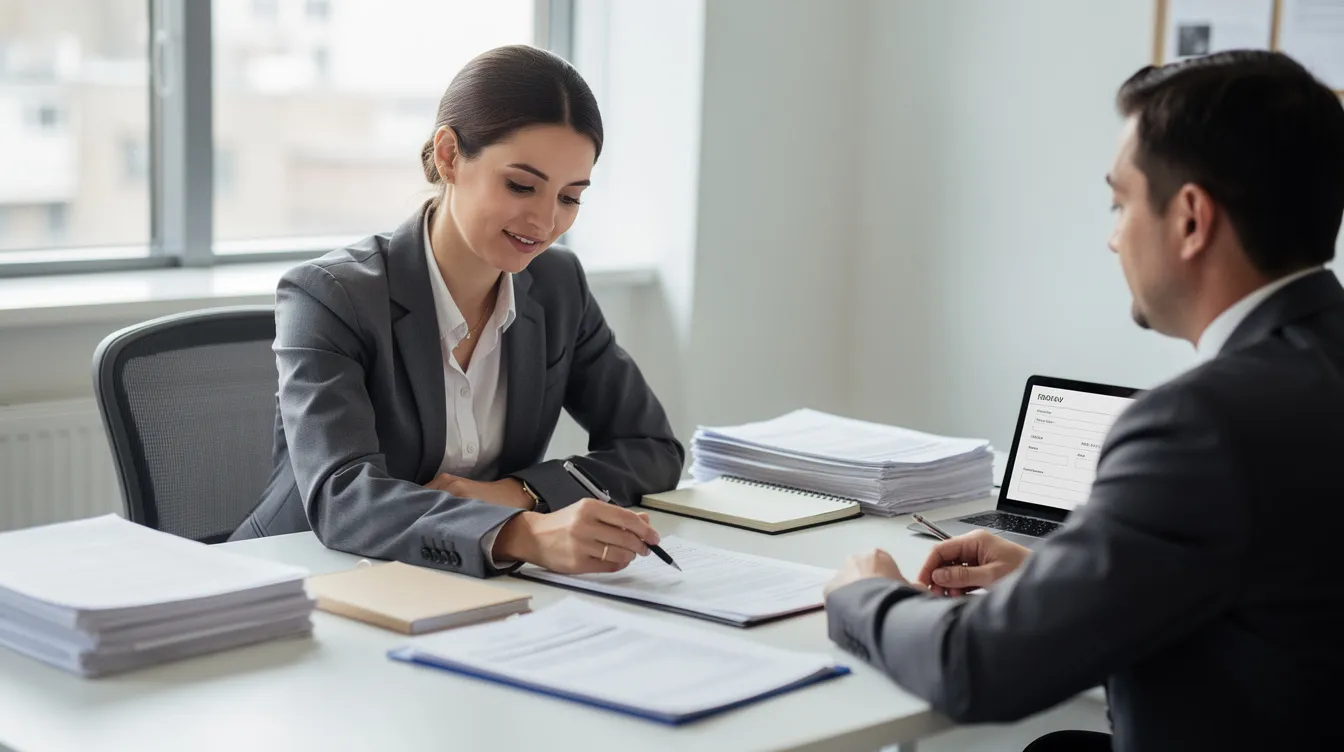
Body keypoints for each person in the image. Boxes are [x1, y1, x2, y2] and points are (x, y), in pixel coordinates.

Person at [824, 50, 1344, 751]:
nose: (1112, 237)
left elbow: (978, 667)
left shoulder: (1200, 425)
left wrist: (865, 595)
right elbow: (1281, 597)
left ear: (1191, 220)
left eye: (1120, 203)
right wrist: (1056, 582)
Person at [230, 45, 684, 580]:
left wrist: (517, 492)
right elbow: (343, 497)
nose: (545, 222)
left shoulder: (557, 286)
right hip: (301, 578)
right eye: (521, 185)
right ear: (448, 156)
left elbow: (652, 448)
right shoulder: (330, 295)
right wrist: (518, 532)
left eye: (569, 198)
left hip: (457, 584)